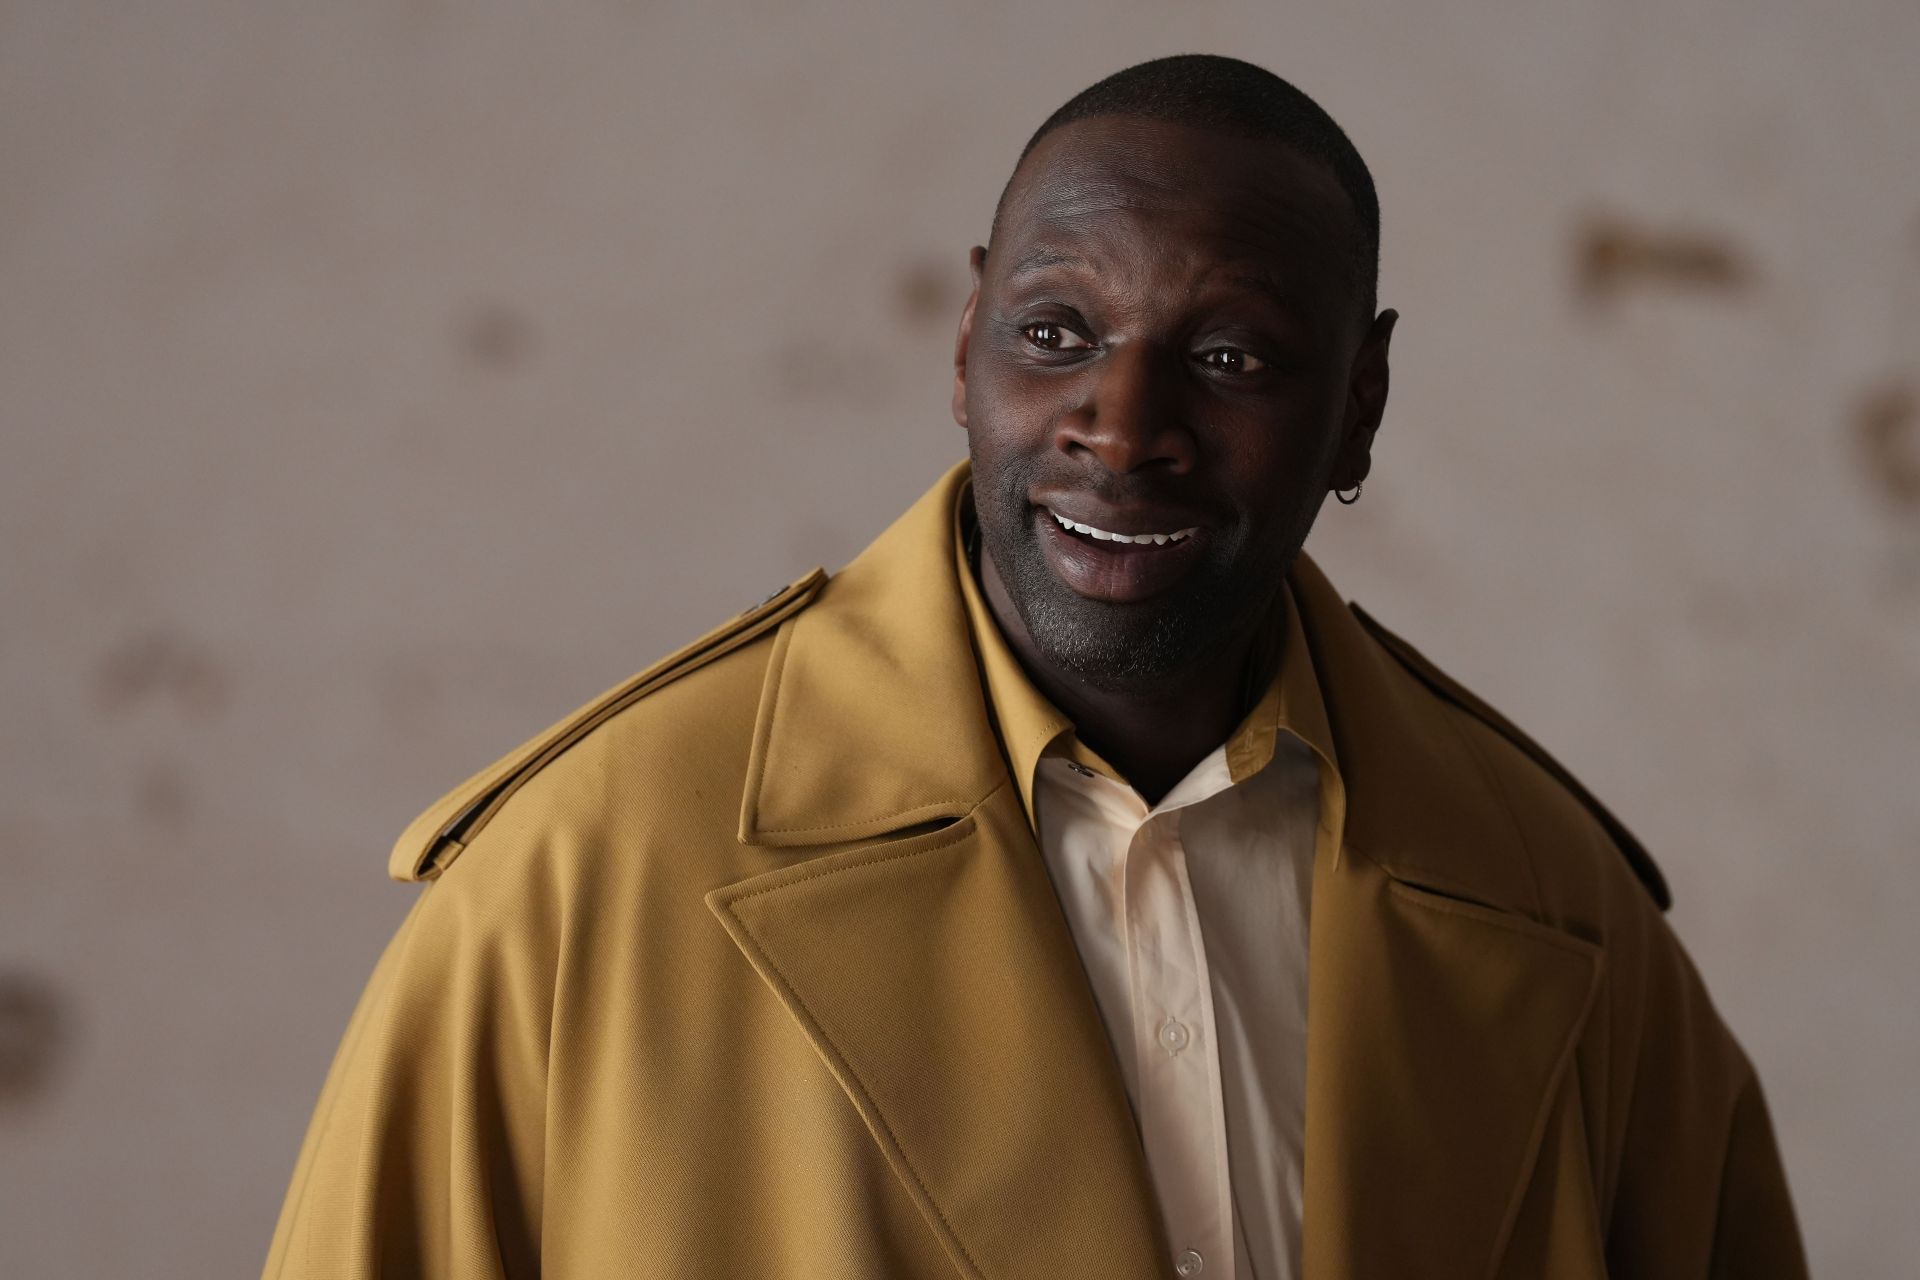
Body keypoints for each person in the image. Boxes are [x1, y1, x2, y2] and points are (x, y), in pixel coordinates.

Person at [263, 54, 1807, 1280]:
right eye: (1056, 331)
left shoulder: (1557, 909)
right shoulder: (575, 884)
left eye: (1231, 357)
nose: (1120, 428)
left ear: (1360, 403)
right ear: (962, 350)